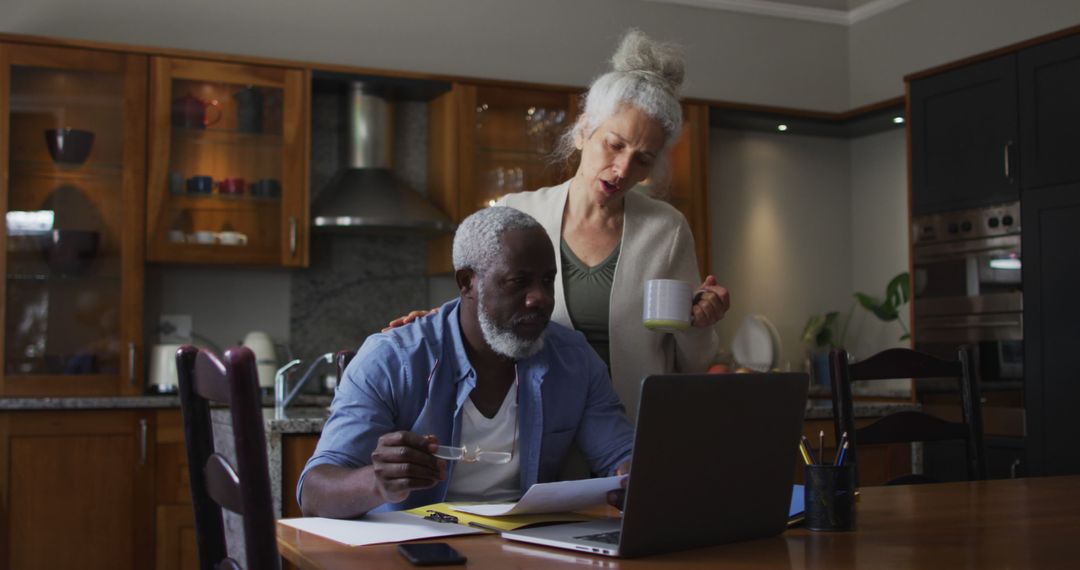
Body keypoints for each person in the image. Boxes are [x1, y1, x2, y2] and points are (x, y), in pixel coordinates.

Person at [388, 30, 730, 417]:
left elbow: (693, 363)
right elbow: (481, 318)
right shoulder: (520, 214)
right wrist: (433, 325)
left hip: (633, 432)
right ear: (585, 131)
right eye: (615, 144)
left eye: (644, 159)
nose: (622, 169)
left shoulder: (665, 230)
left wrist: (700, 322)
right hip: (535, 431)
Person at [298, 207, 633, 518]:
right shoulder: (393, 359)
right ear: (467, 282)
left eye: (547, 280)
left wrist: (631, 476)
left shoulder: (572, 359)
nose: (540, 298)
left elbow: (620, 456)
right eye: (519, 282)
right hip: (411, 551)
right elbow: (313, 492)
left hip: (526, 547)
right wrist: (376, 482)